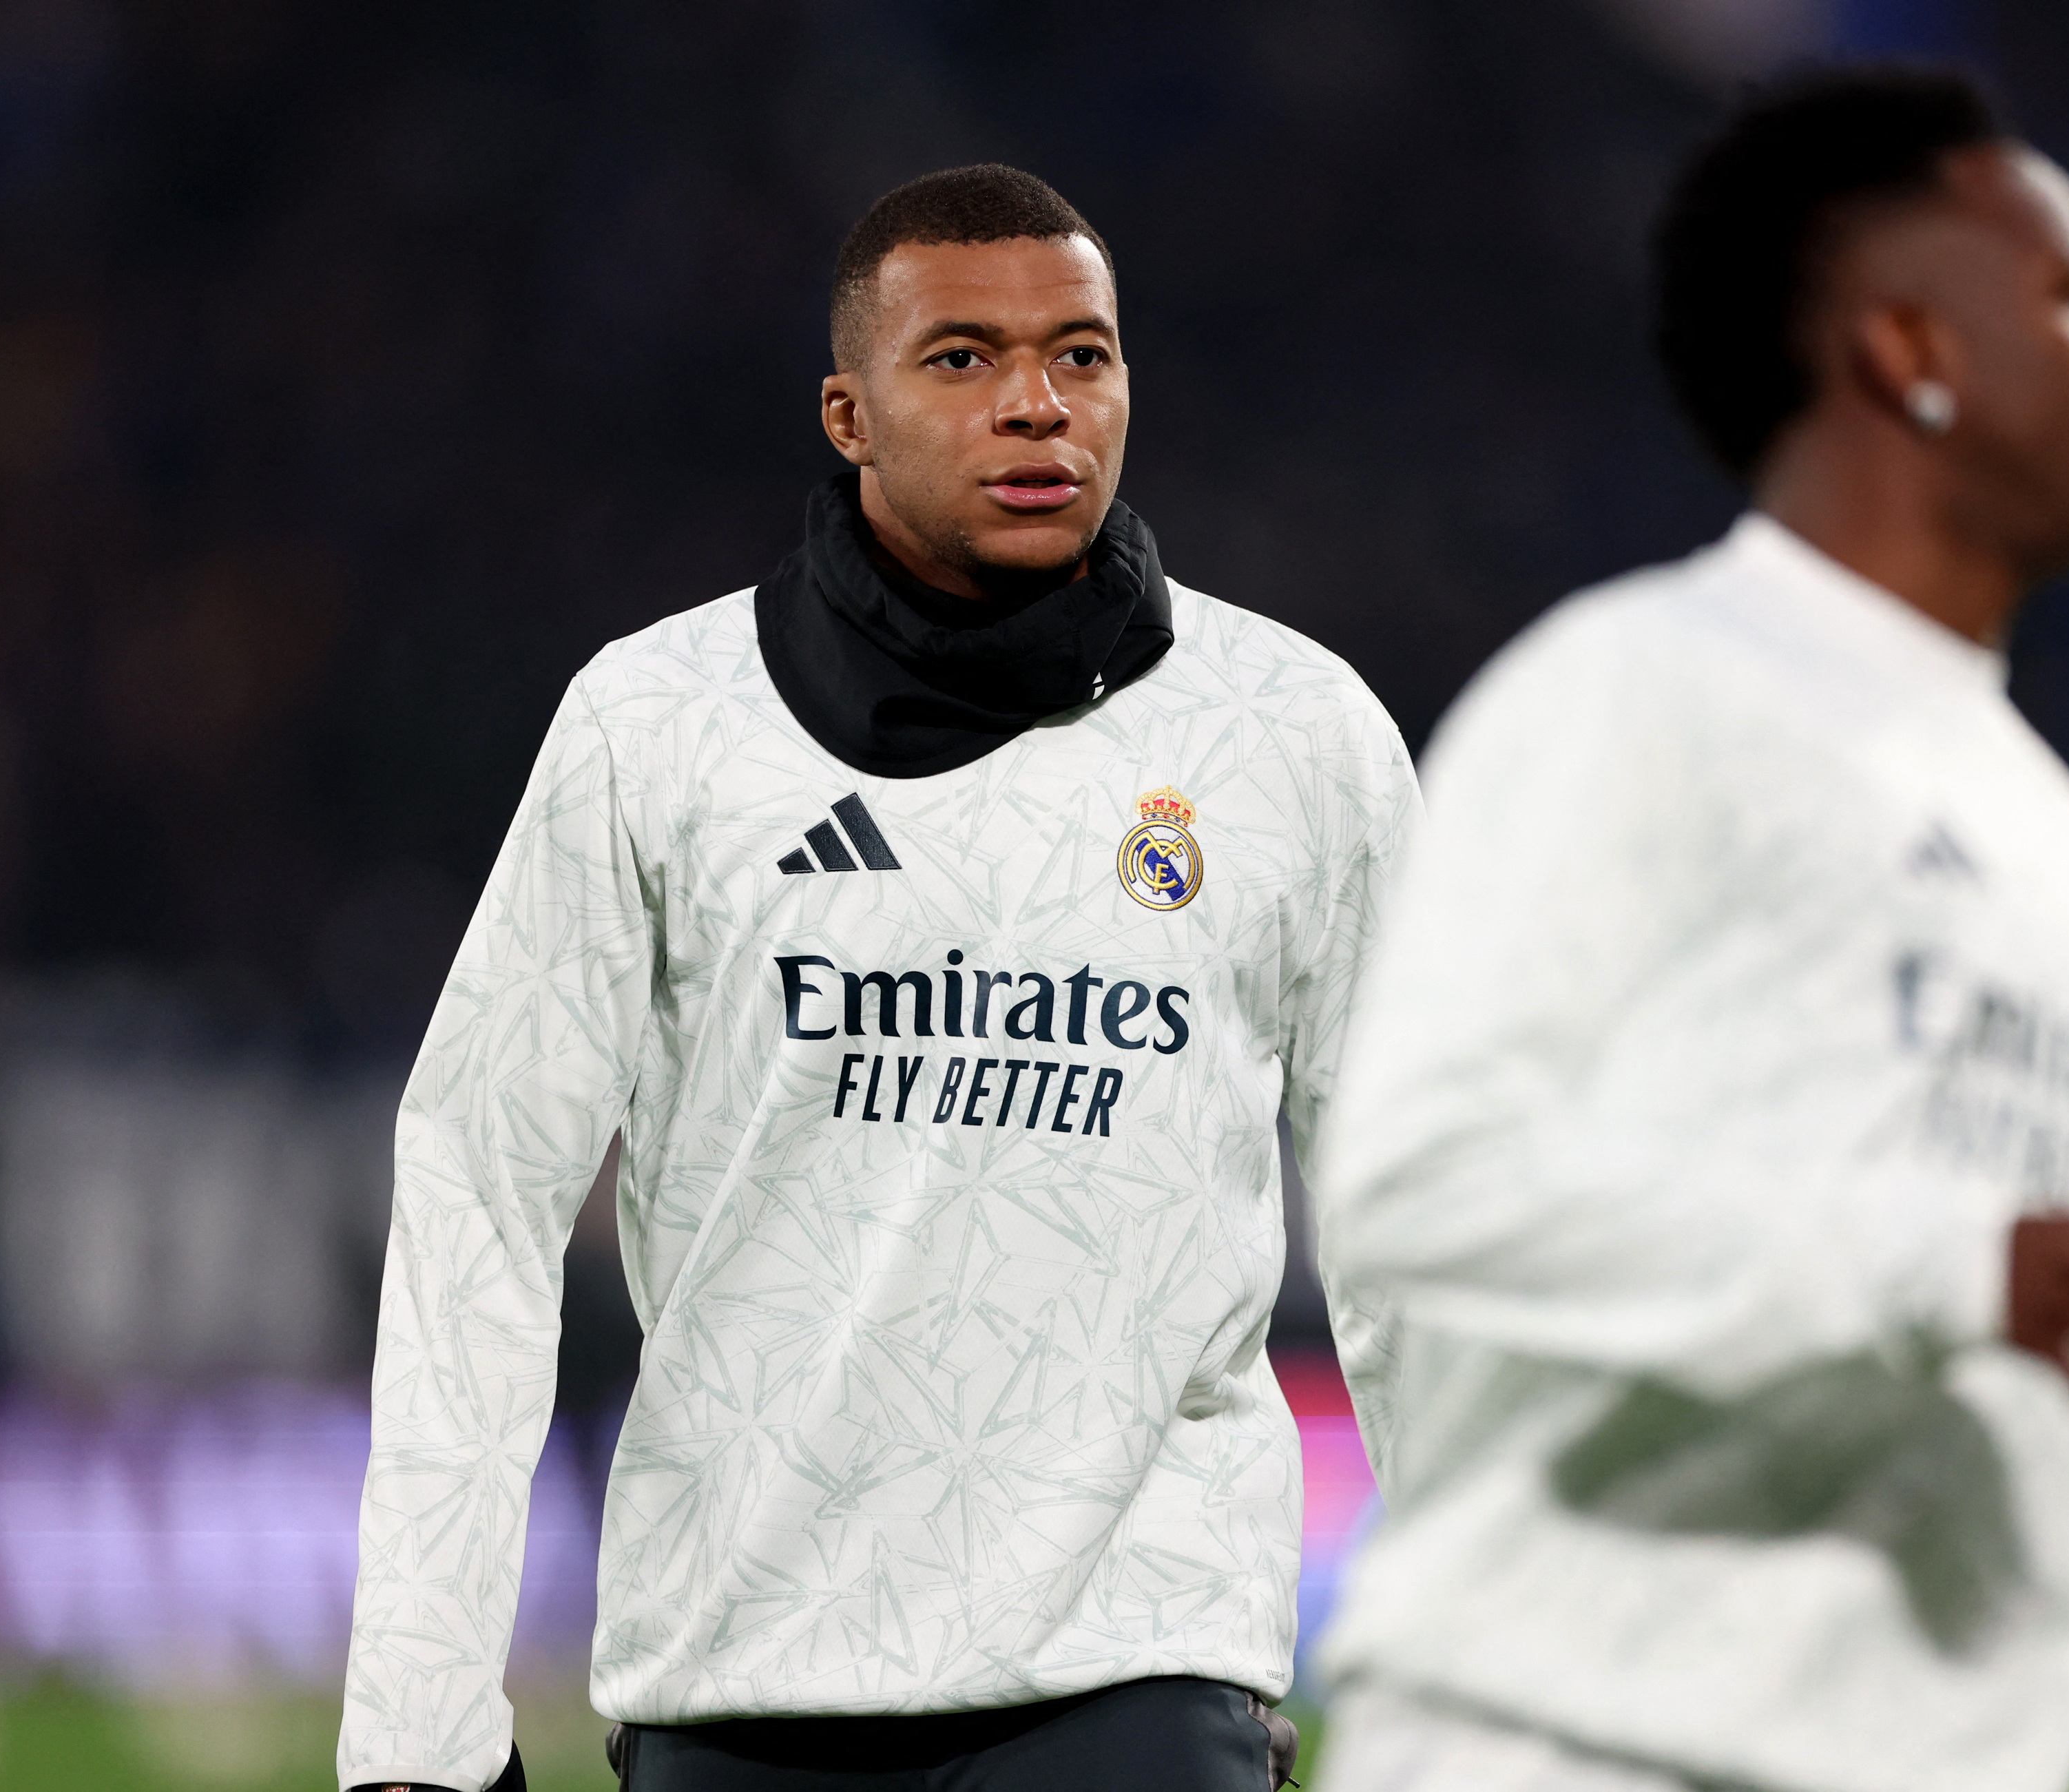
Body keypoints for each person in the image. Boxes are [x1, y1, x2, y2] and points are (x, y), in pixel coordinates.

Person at [336, 163, 1417, 1792]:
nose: (1039, 404)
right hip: (740, 1666)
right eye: (965, 357)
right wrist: (416, 1731)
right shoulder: (659, 724)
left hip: (1140, 1667)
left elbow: (1426, 1214)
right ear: (848, 413)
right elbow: (481, 1189)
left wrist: (1513, 1688)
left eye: (1085, 354)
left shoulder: (1295, 736)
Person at [1309, 70, 2069, 1792]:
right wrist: (1949, 1266)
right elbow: (1417, 1178)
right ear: (1909, 352)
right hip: (1568, 1744)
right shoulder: (1644, 689)